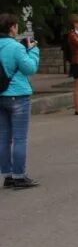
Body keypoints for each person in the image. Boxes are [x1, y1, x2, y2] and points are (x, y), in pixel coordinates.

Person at [0, 13, 41, 189]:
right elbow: (29, 68)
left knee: (3, 138)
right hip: (18, 95)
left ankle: (7, 175)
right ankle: (19, 176)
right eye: (16, 26)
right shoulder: (15, 47)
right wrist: (33, 51)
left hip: (0, 95)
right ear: (11, 27)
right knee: (19, 138)